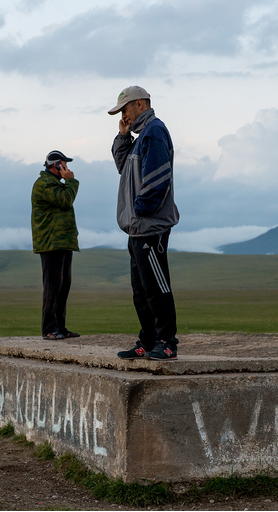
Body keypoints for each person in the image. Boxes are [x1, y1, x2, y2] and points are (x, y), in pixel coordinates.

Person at [108, 86, 180, 360]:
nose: (123, 115)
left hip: (149, 226)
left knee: (156, 288)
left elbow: (158, 178)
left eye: (125, 109)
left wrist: (140, 210)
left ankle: (167, 342)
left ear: (140, 104)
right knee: (141, 290)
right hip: (137, 228)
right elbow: (122, 166)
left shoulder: (154, 132)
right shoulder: (139, 138)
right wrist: (123, 136)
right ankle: (148, 340)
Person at [31, 150, 81, 341]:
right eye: (64, 164)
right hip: (51, 242)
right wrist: (71, 181)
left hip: (63, 241)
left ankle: (60, 327)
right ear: (56, 165)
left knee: (63, 286)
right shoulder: (43, 184)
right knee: (52, 287)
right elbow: (65, 200)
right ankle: (48, 329)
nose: (67, 168)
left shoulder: (55, 184)